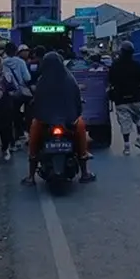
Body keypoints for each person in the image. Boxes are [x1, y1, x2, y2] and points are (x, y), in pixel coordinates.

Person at [23, 52, 96, 185]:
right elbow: (77, 102)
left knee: (34, 133)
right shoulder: (70, 79)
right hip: (67, 121)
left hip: (47, 121)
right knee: (80, 127)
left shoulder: (42, 80)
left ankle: (31, 176)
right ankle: (85, 172)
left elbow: (36, 103)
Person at [108, 41, 140, 155]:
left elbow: (110, 81)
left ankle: (126, 147)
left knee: (125, 122)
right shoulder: (137, 65)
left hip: (121, 100)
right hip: (136, 98)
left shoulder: (115, 66)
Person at [3, 42, 32, 149]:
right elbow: (27, 78)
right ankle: (20, 135)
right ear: (16, 51)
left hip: (7, 95)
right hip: (20, 94)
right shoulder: (20, 62)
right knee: (20, 114)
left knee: (9, 118)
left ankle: (11, 141)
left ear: (5, 51)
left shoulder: (3, 63)